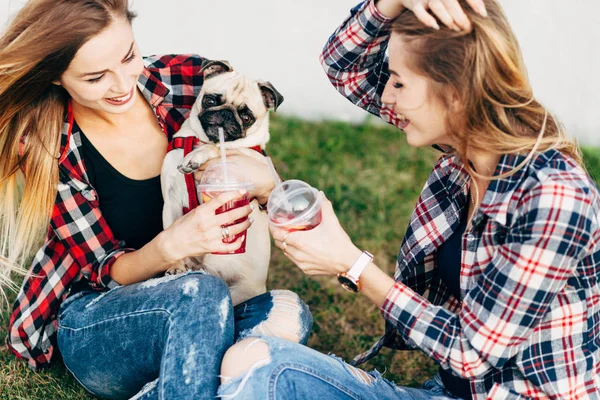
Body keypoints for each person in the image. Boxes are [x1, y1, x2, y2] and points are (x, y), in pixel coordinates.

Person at [215, 0, 600, 399]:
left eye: (399, 82)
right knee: (251, 362)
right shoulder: (465, 153)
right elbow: (347, 67)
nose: (387, 94)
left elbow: (473, 354)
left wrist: (352, 264)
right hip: (450, 391)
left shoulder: (554, 198)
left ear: (454, 94)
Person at [0, 0, 312, 399]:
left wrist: (268, 185)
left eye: (128, 55)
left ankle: (170, 385)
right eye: (96, 78)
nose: (122, 83)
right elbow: (106, 272)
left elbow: (255, 159)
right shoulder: (50, 148)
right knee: (201, 293)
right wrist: (173, 245)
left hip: (202, 304)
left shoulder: (181, 78)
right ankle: (213, 373)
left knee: (289, 313)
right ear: (57, 77)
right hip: (103, 317)